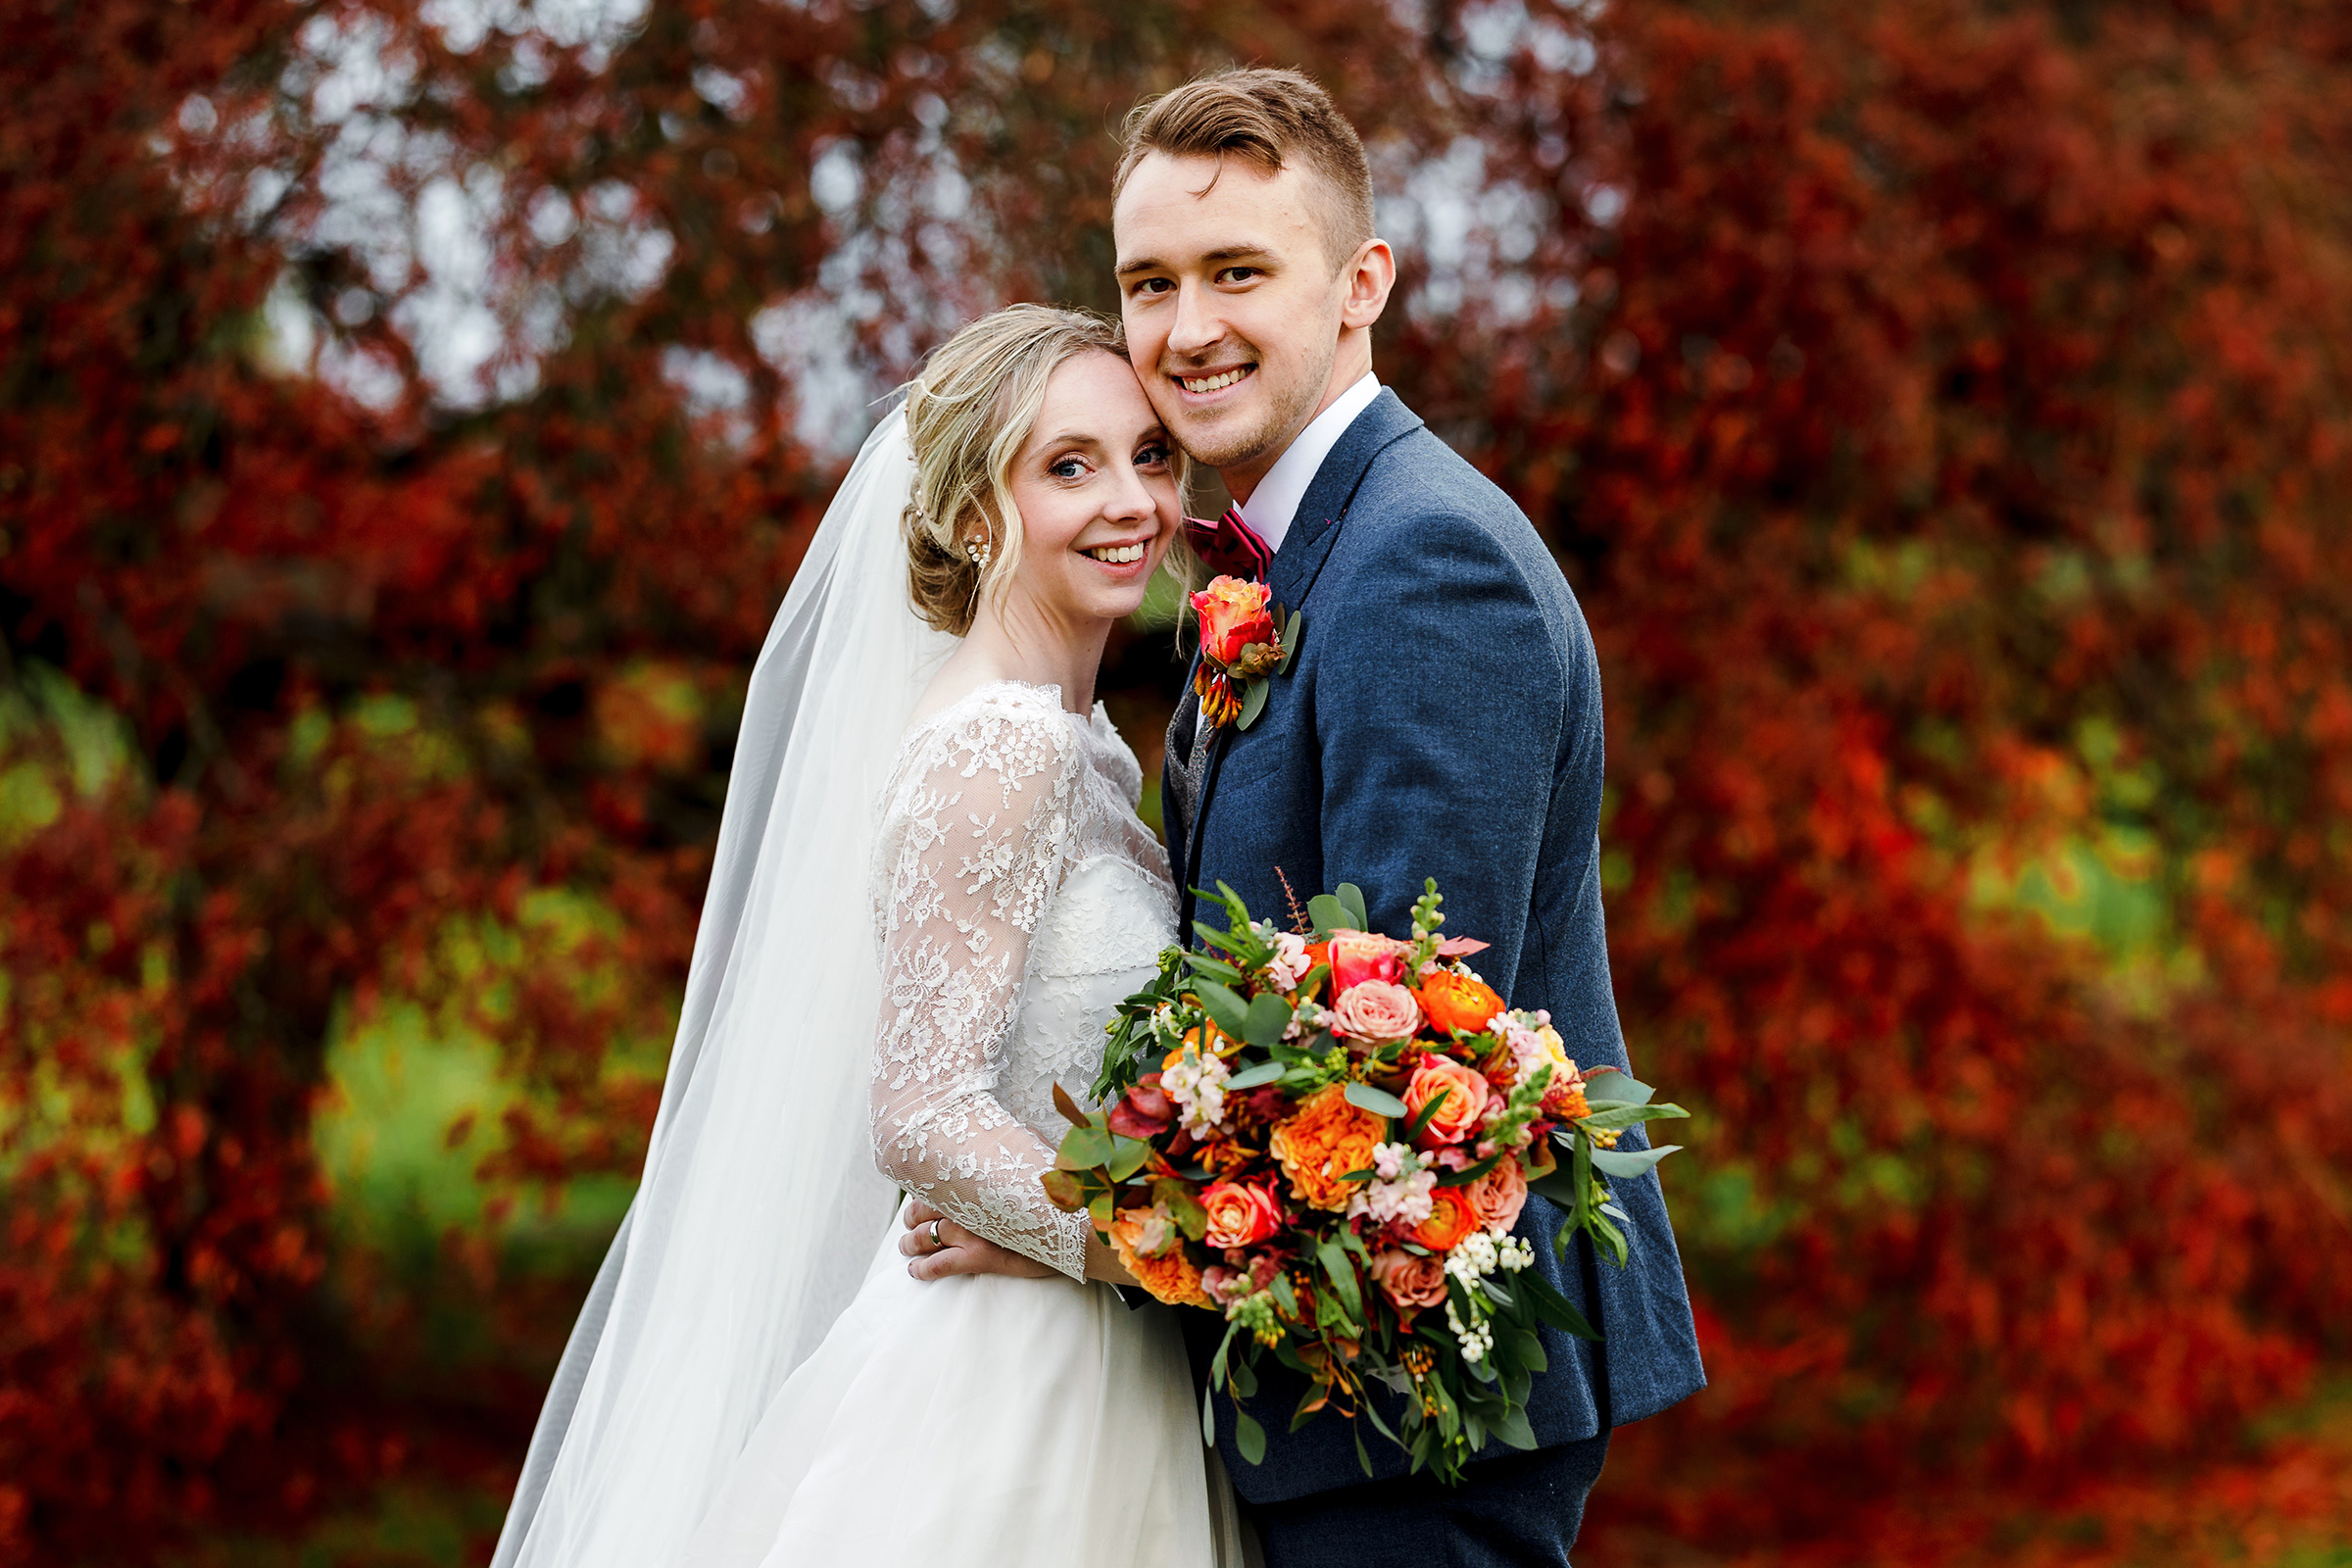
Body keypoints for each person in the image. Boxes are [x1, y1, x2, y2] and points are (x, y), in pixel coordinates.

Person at [903, 68, 1707, 1567]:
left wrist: (1084, 1234)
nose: (1185, 327)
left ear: (1360, 285)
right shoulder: (1286, 560)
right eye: (1150, 282)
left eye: (1237, 272)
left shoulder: (1420, 567)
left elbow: (1394, 1065)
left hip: (1417, 1403)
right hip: (1324, 1398)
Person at [491, 304, 1243, 1567]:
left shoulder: (1076, 736)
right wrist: (1151, 1253)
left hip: (1096, 1349)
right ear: (968, 517)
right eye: (1070, 466)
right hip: (1012, 1377)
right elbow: (925, 1111)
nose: (1132, 501)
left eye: (1150, 456)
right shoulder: (998, 749)